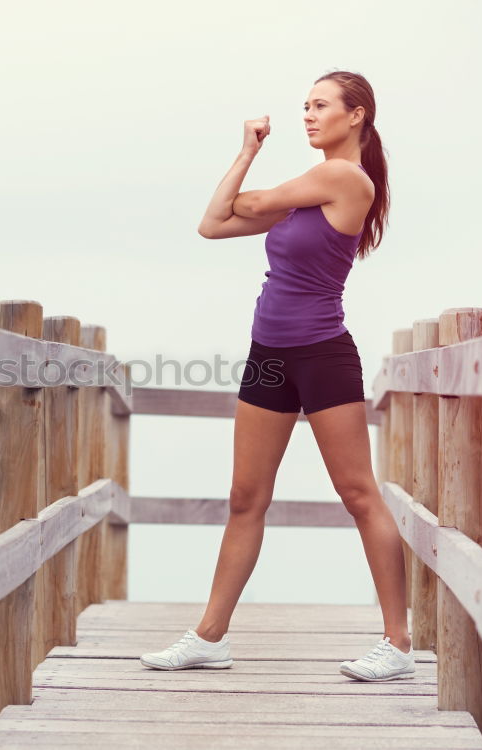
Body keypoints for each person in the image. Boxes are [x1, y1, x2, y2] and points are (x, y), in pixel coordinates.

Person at [140, 71, 415, 682]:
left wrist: (257, 183)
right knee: (245, 498)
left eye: (321, 106)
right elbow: (213, 222)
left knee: (358, 493)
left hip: (322, 355)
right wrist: (246, 153)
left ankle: (397, 642)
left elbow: (254, 205)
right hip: (269, 355)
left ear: (357, 115)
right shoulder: (306, 195)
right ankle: (210, 636)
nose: (309, 116)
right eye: (305, 106)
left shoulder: (343, 178)